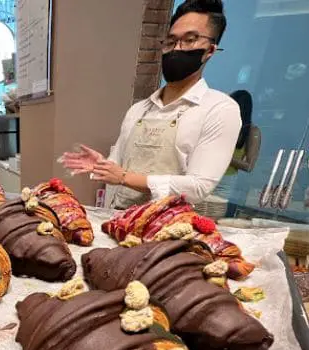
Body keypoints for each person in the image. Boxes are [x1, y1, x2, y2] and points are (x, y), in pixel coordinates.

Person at [61, 0, 242, 209]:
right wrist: (104, 166)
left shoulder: (219, 110)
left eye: (190, 40)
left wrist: (124, 177)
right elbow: (117, 168)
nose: (177, 49)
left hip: (168, 229)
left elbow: (198, 187)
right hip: (118, 221)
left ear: (209, 50)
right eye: (171, 41)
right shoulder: (138, 110)